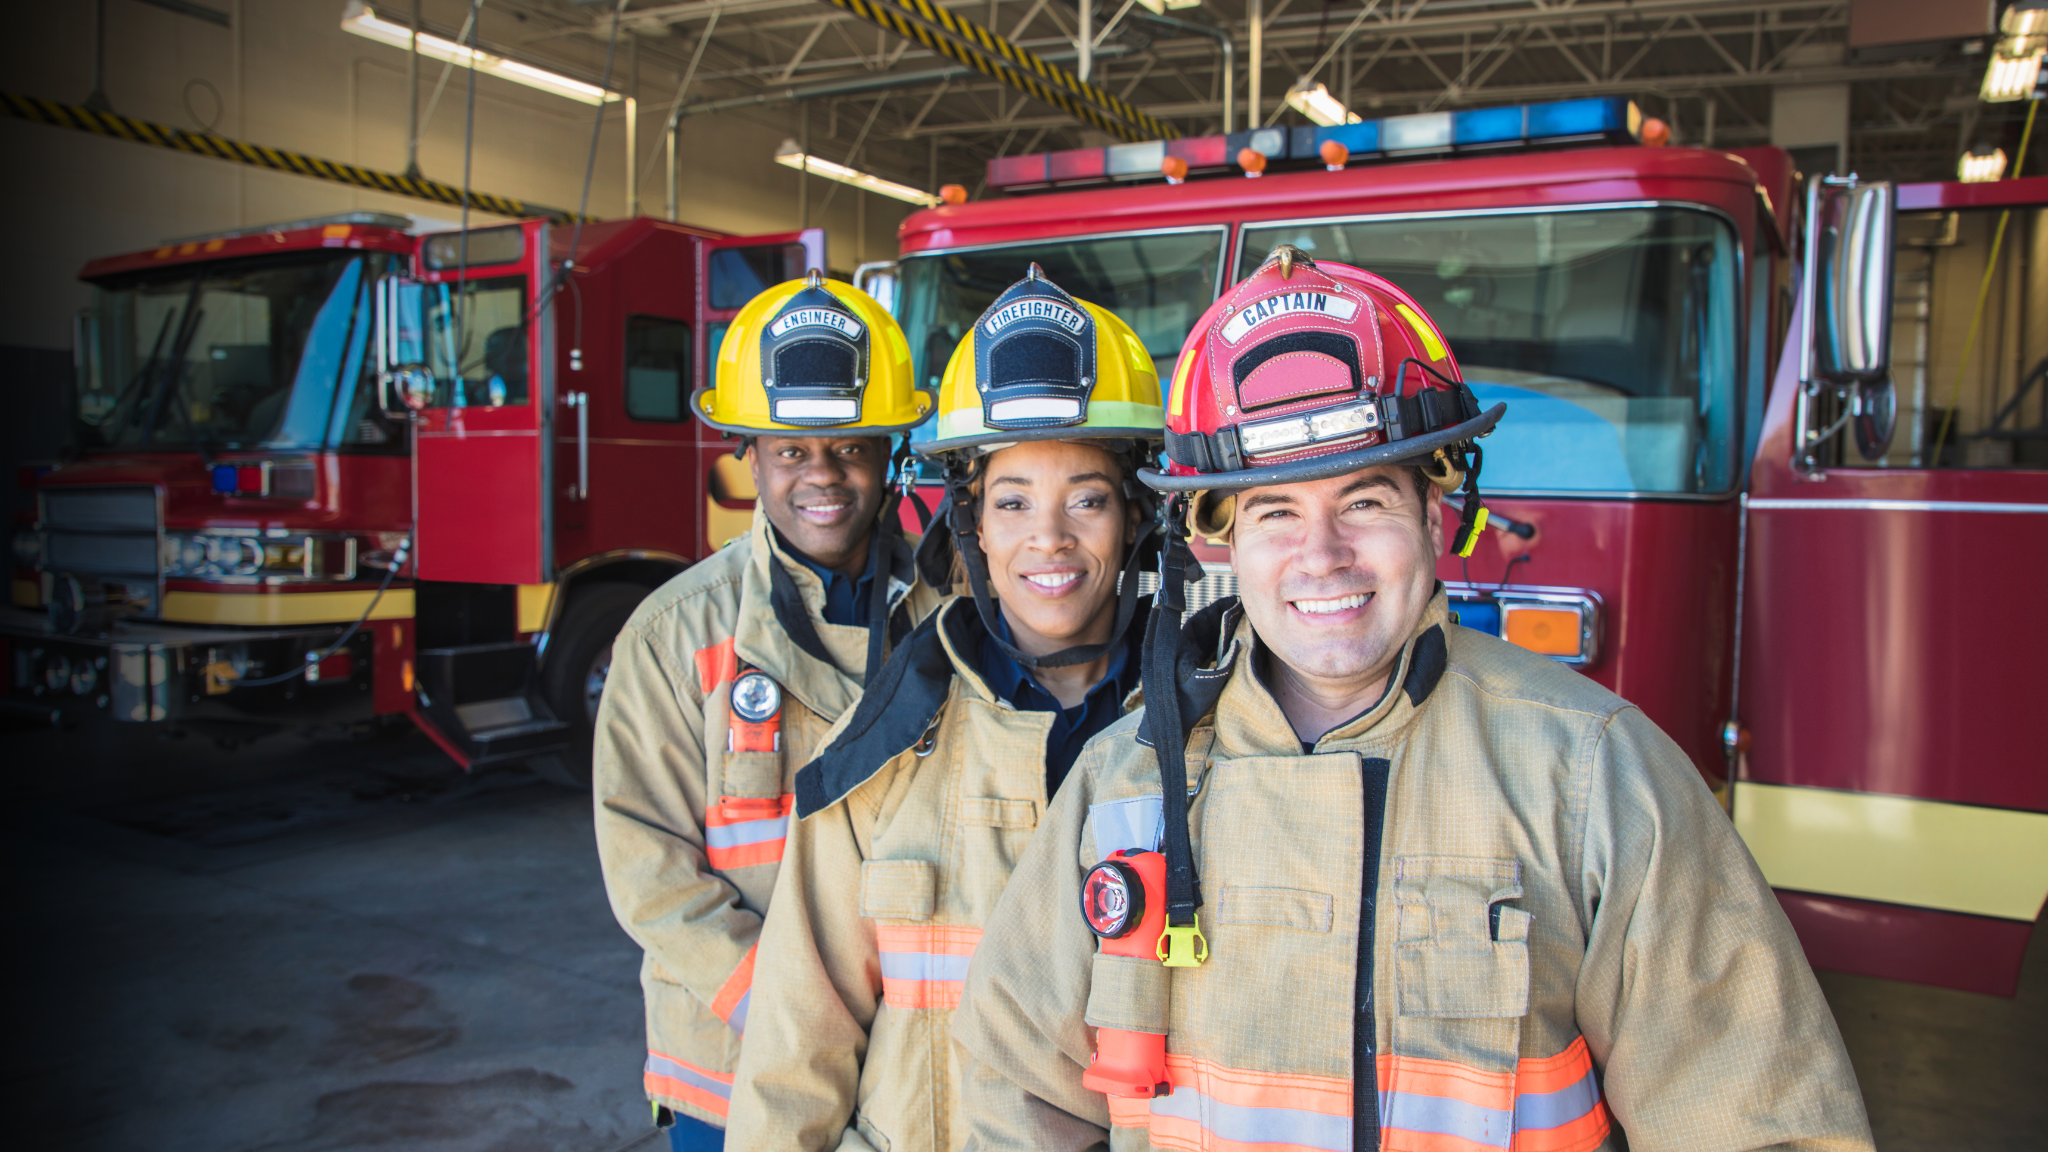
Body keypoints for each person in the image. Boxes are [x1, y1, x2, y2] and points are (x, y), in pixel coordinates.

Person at [951, 247, 1874, 1151]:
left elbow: (1760, 1124)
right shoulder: (1123, 781)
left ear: (1436, 517)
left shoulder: (1593, 775)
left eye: (1365, 503)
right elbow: (1013, 1094)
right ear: (1224, 544)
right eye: (1276, 511)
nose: (1322, 556)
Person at [724, 267, 1166, 1152]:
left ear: (1134, 518)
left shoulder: (1208, 738)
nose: (1048, 537)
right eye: (1013, 502)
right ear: (973, 525)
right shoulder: (885, 744)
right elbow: (794, 1050)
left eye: (1087, 499)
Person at [594, 272, 942, 1151]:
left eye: (850, 447)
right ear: (748, 456)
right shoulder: (672, 634)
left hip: (918, 1056)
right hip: (734, 1064)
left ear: (890, 453)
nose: (822, 474)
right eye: (791, 451)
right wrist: (792, 1015)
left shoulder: (956, 613)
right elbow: (649, 869)